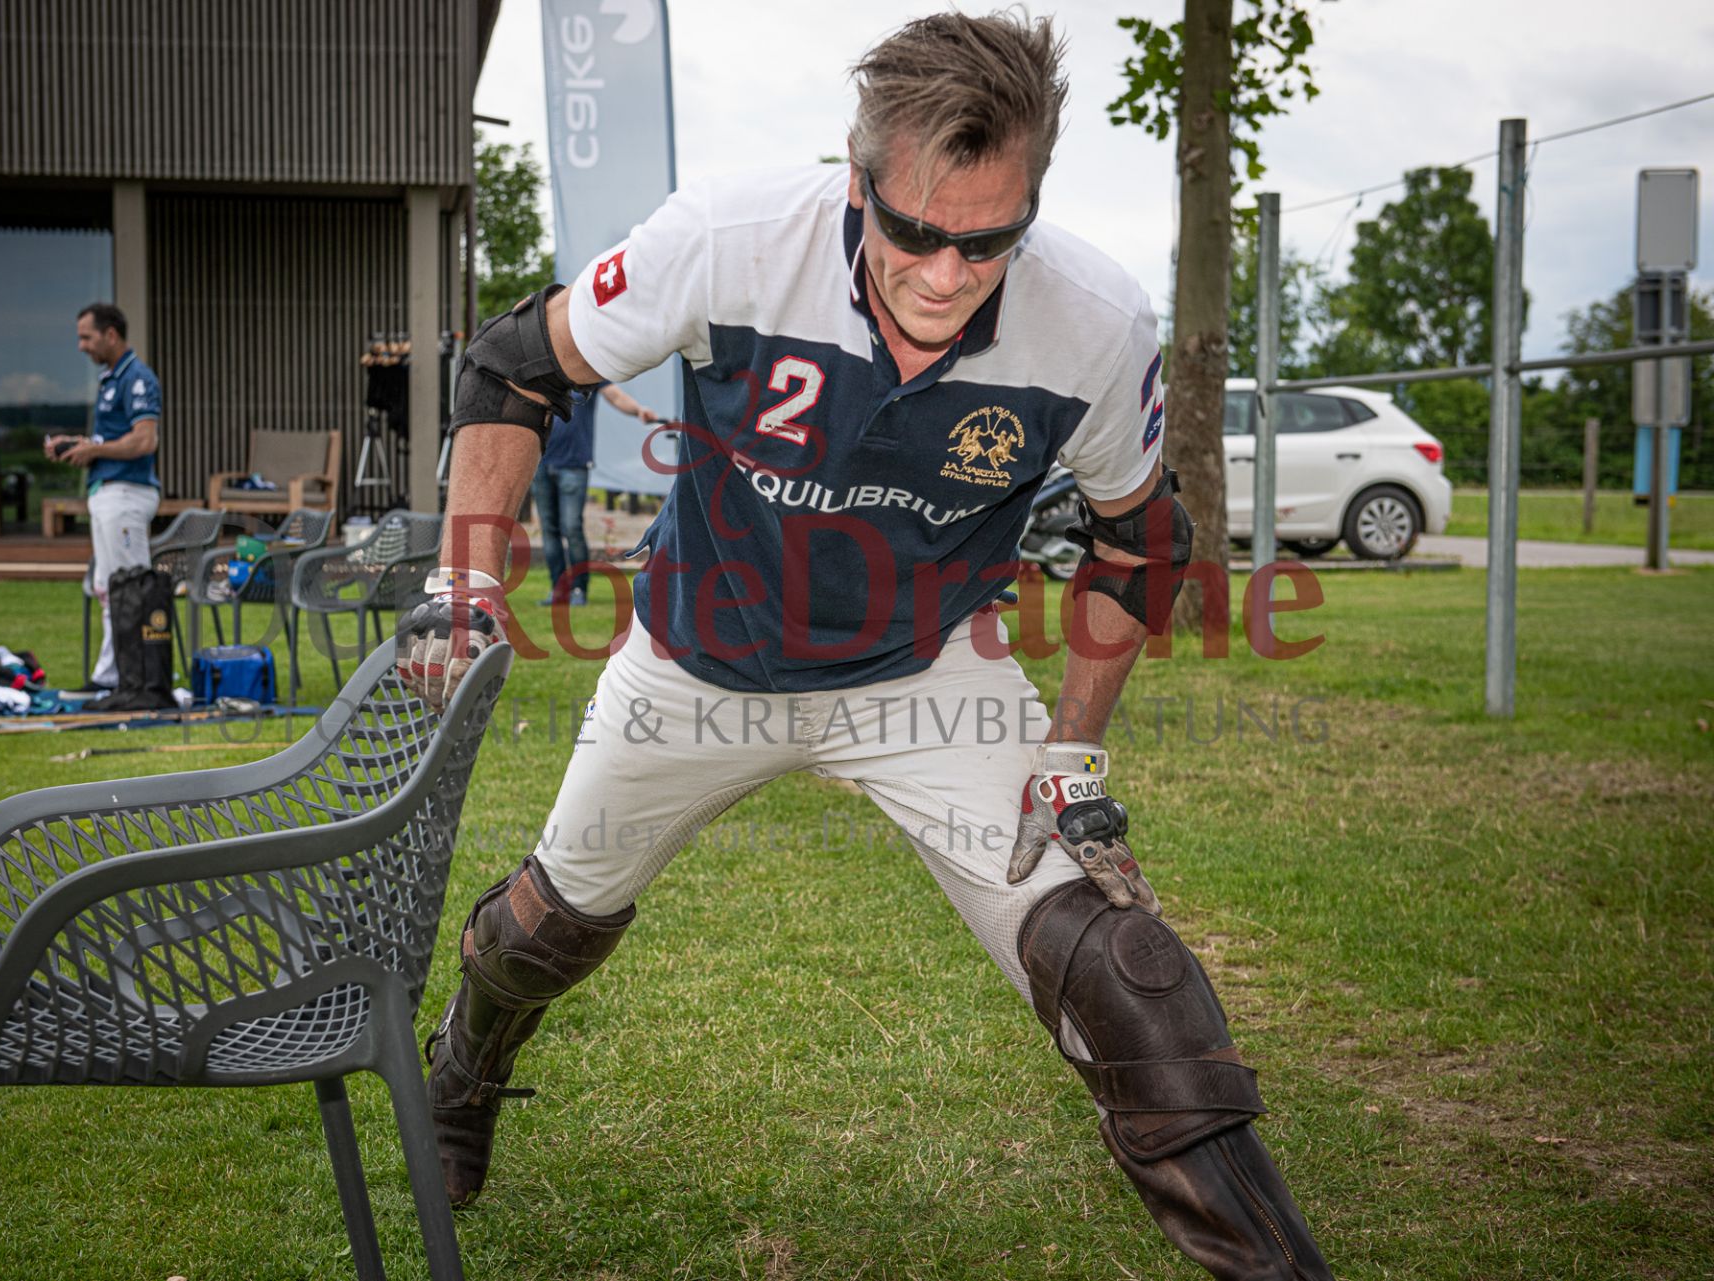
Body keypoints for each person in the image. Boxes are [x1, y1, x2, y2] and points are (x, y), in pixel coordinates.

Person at [400, 13, 1334, 1279]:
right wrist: (464, 580)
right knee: (548, 928)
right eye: (915, 232)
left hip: (923, 672)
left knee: (1120, 966)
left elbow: (1138, 539)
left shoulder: (1097, 320)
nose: (948, 276)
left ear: (1033, 203)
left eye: (989, 241)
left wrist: (1072, 757)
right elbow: (514, 366)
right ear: (858, 181)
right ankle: (466, 1068)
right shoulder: (729, 237)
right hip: (698, 659)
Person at [47, 303, 163, 691]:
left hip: (126, 495)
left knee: (130, 589)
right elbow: (113, 439)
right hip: (107, 493)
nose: (81, 346)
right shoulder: (111, 378)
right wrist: (79, 446)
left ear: (110, 334)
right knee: (108, 590)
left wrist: (95, 450)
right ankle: (112, 676)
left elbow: (145, 440)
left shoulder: (137, 378)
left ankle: (142, 678)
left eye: (86, 337)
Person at [532, 382, 657, 605]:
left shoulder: (587, 375)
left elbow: (616, 396)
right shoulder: (545, 373)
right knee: (549, 530)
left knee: (572, 527)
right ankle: (558, 590)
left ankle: (579, 589)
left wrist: (639, 410)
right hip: (541, 462)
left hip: (574, 464)